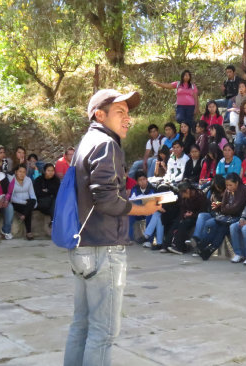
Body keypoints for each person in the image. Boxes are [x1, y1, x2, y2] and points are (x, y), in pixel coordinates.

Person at [64, 89, 161, 366]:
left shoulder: (87, 142)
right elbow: (106, 199)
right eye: (120, 112)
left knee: (81, 326)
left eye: (128, 113)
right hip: (103, 249)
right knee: (103, 332)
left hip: (84, 247)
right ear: (100, 115)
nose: (128, 118)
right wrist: (144, 208)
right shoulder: (107, 145)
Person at [197, 173, 246, 260]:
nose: (228, 187)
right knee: (213, 224)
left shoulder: (243, 190)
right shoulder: (227, 191)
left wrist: (225, 207)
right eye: (227, 185)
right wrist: (225, 207)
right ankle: (204, 246)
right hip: (226, 216)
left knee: (222, 228)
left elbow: (236, 208)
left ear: (236, 183)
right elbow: (224, 207)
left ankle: (206, 247)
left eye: (230, 185)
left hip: (238, 217)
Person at [162, 181, 209, 254]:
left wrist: (192, 214)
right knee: (176, 222)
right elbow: (182, 208)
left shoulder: (200, 196)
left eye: (182, 193)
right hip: (187, 215)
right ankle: (166, 245)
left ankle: (179, 247)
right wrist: (184, 215)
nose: (182, 195)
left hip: (196, 217)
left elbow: (203, 211)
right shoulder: (184, 197)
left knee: (184, 224)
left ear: (187, 191)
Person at [186, 175, 226, 250]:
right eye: (217, 186)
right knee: (202, 216)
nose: (218, 188)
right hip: (213, 213)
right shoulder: (212, 192)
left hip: (221, 215)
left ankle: (200, 245)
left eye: (219, 186)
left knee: (208, 222)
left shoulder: (228, 192)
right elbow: (209, 205)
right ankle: (196, 238)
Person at [10, 164, 37, 240]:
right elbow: (11, 198)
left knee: (32, 202)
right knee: (28, 209)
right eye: (20, 171)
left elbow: (32, 194)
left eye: (24, 172)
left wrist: (34, 204)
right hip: (16, 203)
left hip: (28, 202)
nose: (22, 174)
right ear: (16, 172)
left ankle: (24, 215)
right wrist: (26, 203)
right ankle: (29, 232)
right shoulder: (12, 181)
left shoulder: (28, 180)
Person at [128, 172, 156, 243]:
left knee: (150, 215)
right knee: (129, 214)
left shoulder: (152, 189)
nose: (142, 182)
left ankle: (149, 240)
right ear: (137, 182)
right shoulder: (134, 189)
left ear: (147, 179)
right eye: (140, 180)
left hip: (149, 211)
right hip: (138, 210)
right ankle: (129, 238)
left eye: (144, 179)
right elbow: (131, 200)